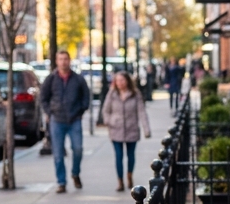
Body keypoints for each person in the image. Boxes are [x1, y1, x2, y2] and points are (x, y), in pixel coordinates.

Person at [39, 49, 90, 193]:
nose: (63, 62)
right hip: (57, 120)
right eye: (60, 59)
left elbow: (86, 97)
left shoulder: (78, 79)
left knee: (78, 149)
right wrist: (49, 112)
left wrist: (81, 111)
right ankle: (61, 182)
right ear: (57, 61)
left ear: (69, 61)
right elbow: (43, 98)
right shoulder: (51, 79)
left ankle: (75, 173)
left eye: (65, 59)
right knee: (58, 154)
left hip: (74, 119)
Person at [102, 70, 151, 191]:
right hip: (116, 129)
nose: (120, 83)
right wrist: (109, 121)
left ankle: (129, 175)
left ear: (127, 81)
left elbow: (141, 111)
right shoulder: (112, 93)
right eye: (117, 80)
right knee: (118, 156)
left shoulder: (135, 93)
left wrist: (146, 129)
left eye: (122, 80)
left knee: (130, 155)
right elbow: (105, 110)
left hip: (131, 128)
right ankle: (120, 181)